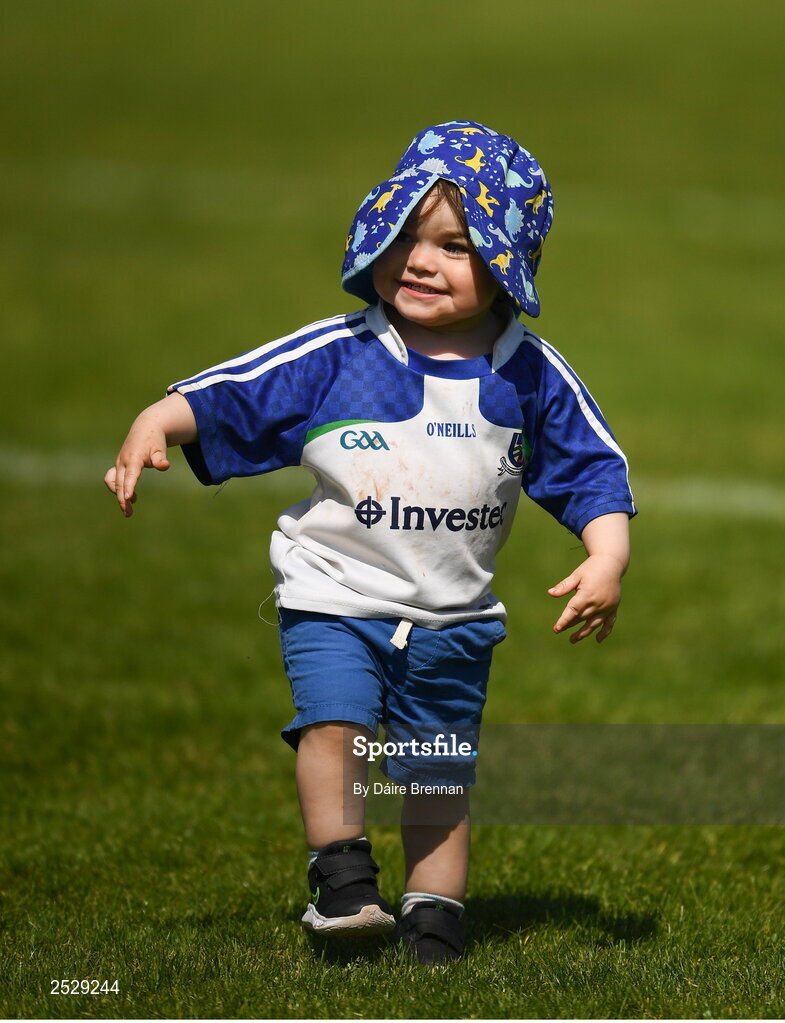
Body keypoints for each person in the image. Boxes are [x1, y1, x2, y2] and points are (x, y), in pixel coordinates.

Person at [105, 120, 636, 965]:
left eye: (454, 246)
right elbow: (237, 393)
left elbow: (591, 472)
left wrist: (605, 557)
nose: (420, 261)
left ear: (505, 264)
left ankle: (434, 918)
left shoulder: (528, 374)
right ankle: (344, 880)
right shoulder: (341, 355)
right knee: (335, 726)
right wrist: (156, 421)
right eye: (406, 238)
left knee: (434, 775)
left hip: (454, 617)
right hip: (334, 593)